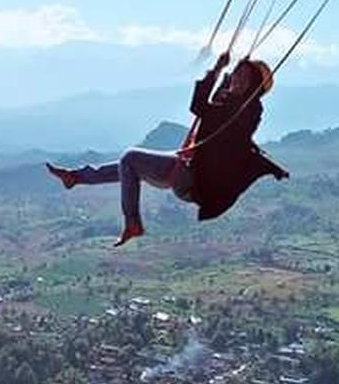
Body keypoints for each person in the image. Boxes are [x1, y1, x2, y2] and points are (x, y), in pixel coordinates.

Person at [46, 52, 288, 247]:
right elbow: (207, 105)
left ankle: (133, 222)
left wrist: (220, 75)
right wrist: (218, 70)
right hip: (188, 167)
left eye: (243, 78)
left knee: (130, 158)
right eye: (237, 74)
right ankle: (75, 177)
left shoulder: (247, 110)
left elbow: (209, 113)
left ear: (253, 88)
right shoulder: (230, 100)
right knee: (129, 165)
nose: (236, 79)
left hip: (192, 180)